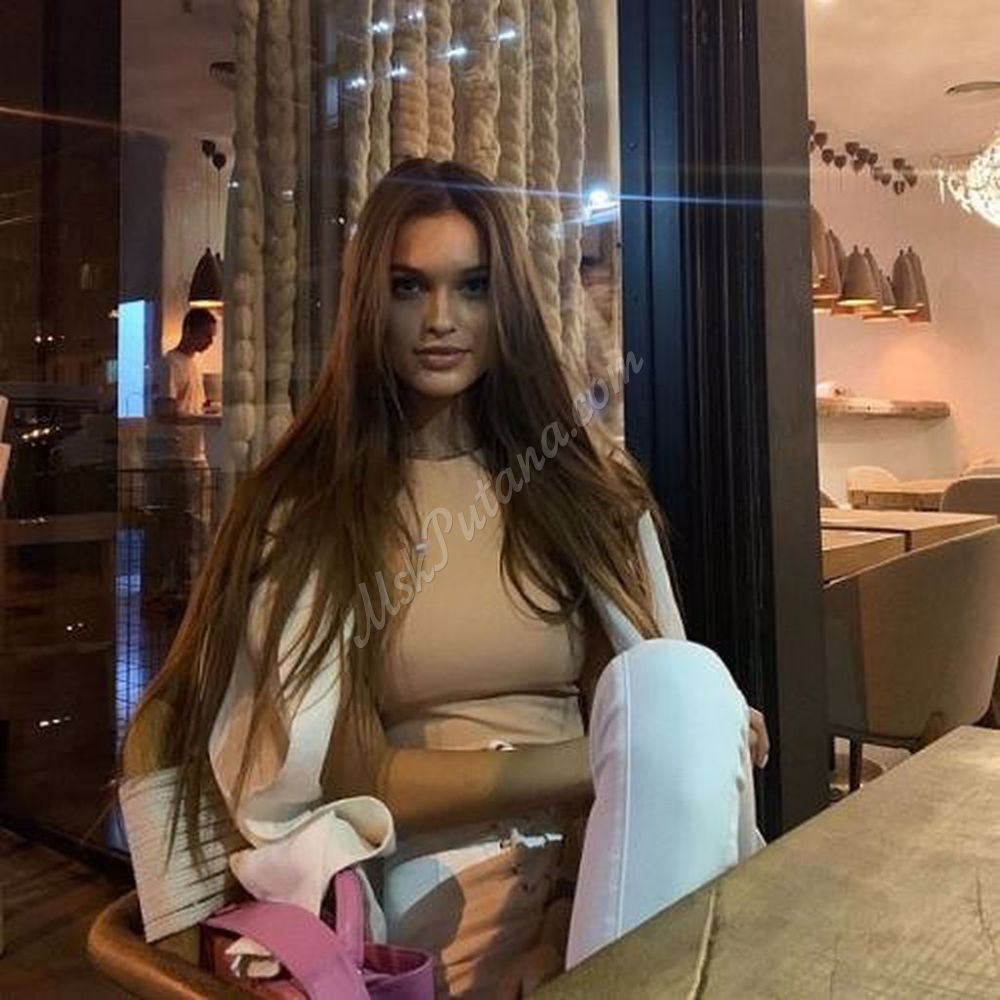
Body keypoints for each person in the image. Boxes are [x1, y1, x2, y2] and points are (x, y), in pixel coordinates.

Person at [121, 159, 768, 997]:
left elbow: (634, 695)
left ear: (508, 303)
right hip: (428, 892)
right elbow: (350, 773)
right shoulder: (310, 508)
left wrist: (582, 876)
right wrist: (618, 758)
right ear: (369, 304)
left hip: (604, 862)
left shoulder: (580, 486)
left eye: (472, 286)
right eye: (407, 287)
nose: (439, 319)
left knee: (682, 681)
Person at [145, 307, 218, 608]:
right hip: (176, 457)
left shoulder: (192, 364)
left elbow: (184, 407)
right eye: (207, 336)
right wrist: (206, 418)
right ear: (189, 331)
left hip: (192, 454)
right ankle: (173, 586)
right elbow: (164, 413)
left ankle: (187, 584)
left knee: (195, 523)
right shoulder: (169, 365)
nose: (210, 343)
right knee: (180, 524)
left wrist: (205, 410)